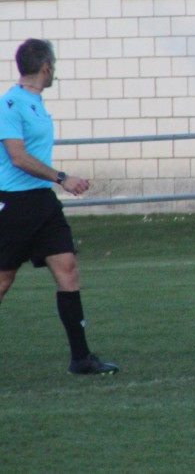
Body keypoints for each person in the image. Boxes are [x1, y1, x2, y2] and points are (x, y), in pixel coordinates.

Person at [0, 39, 119, 375]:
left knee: (67, 269)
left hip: (42, 203)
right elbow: (18, 157)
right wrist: (62, 177)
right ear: (46, 67)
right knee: (3, 280)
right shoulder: (10, 104)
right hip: (14, 204)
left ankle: (80, 358)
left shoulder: (35, 102)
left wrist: (53, 183)